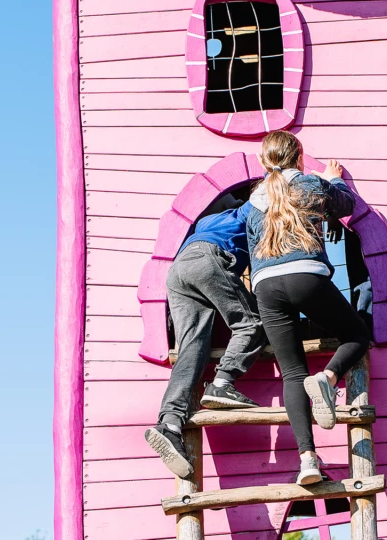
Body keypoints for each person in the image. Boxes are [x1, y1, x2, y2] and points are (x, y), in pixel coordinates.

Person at [246, 130, 372, 485]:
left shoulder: (251, 202)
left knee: (291, 373)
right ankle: (328, 378)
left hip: (266, 286)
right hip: (306, 276)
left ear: (261, 162)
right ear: (299, 159)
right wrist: (334, 180)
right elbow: (346, 205)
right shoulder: (310, 185)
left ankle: (307, 461)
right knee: (356, 333)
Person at [144, 194, 264, 478]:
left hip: (179, 270)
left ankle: (170, 424)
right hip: (209, 260)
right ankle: (222, 383)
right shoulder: (244, 212)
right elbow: (262, 198)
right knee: (251, 324)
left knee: (192, 348)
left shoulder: (206, 221)